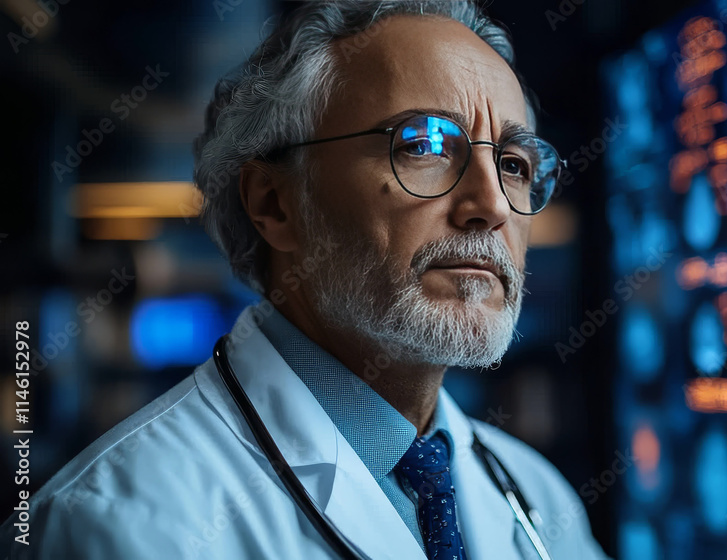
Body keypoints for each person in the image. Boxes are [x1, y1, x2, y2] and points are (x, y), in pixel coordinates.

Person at [1, 1, 610, 558]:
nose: (494, 204)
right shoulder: (118, 527)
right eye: (424, 143)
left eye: (514, 163)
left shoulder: (536, 498)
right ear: (276, 203)